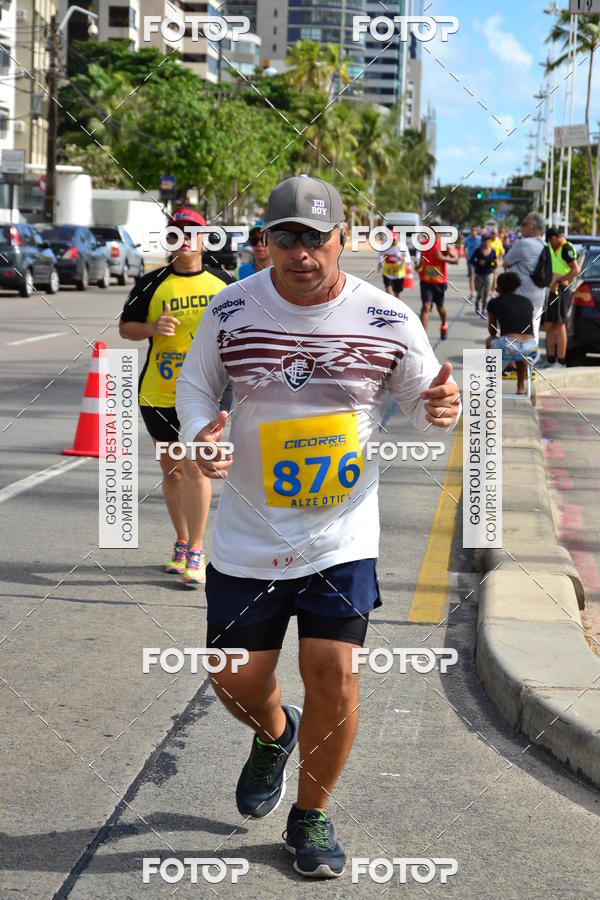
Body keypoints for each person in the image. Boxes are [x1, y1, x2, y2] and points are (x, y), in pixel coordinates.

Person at [176, 175, 461, 879]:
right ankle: (275, 733)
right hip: (247, 530)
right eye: (286, 238)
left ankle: (310, 816)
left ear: (343, 238)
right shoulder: (231, 308)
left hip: (341, 534)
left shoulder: (388, 317)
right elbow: (196, 385)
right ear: (265, 241)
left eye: (316, 238)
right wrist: (198, 435)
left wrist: (441, 409)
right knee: (235, 678)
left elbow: (425, 405)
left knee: (334, 674)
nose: (301, 253)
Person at [119, 206, 235, 586]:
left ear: (204, 238)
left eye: (192, 232)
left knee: (193, 467)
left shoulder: (224, 284)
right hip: (157, 392)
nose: (185, 239)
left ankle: (198, 549)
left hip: (206, 394)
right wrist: (153, 326)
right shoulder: (152, 283)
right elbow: (126, 329)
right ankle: (182, 541)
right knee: (171, 472)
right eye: (176, 233)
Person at [486, 272, 536, 395]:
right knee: (520, 349)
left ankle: (491, 385)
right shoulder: (527, 302)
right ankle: (520, 386)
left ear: (499, 287)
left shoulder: (494, 302)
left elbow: (492, 330)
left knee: (489, 340)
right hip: (531, 347)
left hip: (509, 345)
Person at [503, 211, 547, 344]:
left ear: (533, 226)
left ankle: (515, 363)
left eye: (524, 224)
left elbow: (505, 262)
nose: (521, 226)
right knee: (534, 329)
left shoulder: (524, 243)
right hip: (539, 295)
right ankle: (530, 362)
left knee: (514, 333)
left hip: (521, 296)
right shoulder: (545, 245)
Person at [540, 226, 579, 368]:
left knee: (560, 324)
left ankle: (561, 361)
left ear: (556, 238)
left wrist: (558, 281)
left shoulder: (566, 248)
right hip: (552, 290)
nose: (550, 243)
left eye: (551, 241)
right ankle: (550, 359)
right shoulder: (553, 247)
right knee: (548, 325)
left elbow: (575, 270)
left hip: (562, 289)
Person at [418, 220, 459, 340]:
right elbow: (422, 260)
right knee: (426, 307)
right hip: (426, 281)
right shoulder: (424, 244)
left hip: (439, 282)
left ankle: (444, 324)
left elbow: (456, 260)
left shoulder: (444, 245)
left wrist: (441, 257)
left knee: (440, 307)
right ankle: (423, 338)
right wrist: (419, 266)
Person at [377, 230, 411, 298]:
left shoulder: (402, 246)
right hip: (387, 273)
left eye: (394, 240)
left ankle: (398, 307)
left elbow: (408, 258)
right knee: (388, 291)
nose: (392, 242)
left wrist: (402, 258)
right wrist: (380, 263)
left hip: (399, 274)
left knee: (397, 295)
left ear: (397, 238)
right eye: (391, 240)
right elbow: (380, 255)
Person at [469, 233, 497, 315]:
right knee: (480, 293)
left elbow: (495, 264)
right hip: (479, 274)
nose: (486, 242)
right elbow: (471, 261)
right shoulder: (478, 250)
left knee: (486, 293)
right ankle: (477, 304)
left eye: (488, 240)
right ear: (482, 241)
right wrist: (478, 262)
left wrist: (491, 263)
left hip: (489, 274)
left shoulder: (492, 251)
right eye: (485, 240)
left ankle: (483, 310)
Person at [463, 226, 481, 300]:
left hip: (479, 261)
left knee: (479, 278)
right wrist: (466, 255)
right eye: (472, 230)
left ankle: (479, 292)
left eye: (474, 230)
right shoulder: (467, 239)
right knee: (472, 277)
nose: (473, 232)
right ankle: (472, 293)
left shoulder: (480, 239)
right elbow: (464, 247)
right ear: (470, 231)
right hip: (471, 261)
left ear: (477, 231)